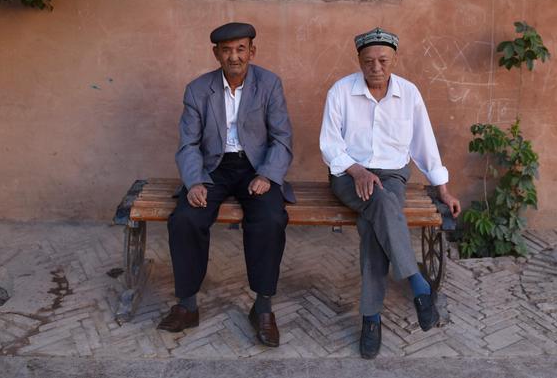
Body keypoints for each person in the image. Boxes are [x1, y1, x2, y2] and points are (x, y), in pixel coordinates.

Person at [319, 27, 462, 359]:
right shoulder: (341, 91)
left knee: (373, 225)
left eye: (383, 60)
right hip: (348, 174)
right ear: (359, 61)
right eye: (369, 61)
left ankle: (371, 319)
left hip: (393, 175)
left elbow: (424, 143)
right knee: (381, 202)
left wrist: (443, 188)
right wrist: (357, 171)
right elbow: (329, 145)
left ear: (394, 60)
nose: (376, 67)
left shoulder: (409, 94)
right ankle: (417, 285)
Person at [159, 21, 294, 348]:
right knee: (186, 218)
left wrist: (267, 175)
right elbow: (188, 144)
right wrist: (194, 181)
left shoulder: (269, 84)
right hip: (213, 168)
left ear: (252, 51)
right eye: (227, 50)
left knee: (271, 218)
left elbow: (281, 138)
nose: (234, 56)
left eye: (240, 49)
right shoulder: (197, 90)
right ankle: (187, 305)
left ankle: (262, 307)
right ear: (216, 54)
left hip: (255, 166)